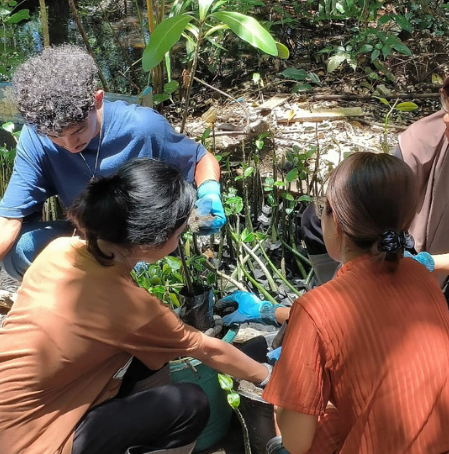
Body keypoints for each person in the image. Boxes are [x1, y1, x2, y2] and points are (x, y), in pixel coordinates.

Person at [0, 159, 272, 454]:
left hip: (17, 405)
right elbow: (208, 349)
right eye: (179, 234)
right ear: (152, 240)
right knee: (190, 404)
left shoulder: (60, 249)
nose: (181, 239)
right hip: (33, 442)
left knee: (146, 359)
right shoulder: (132, 307)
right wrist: (269, 378)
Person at [262, 151, 449, 454]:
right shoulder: (420, 274)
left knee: (289, 420)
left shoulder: (315, 307)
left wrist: (288, 382)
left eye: (322, 208)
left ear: (337, 222)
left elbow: (297, 442)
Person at [299, 50, 449, 360]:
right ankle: (340, 305)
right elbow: (380, 195)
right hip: (416, 241)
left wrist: (429, 264)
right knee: (323, 216)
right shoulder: (433, 134)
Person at [0, 44, 226, 280]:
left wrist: (210, 193)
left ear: (97, 100)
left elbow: (200, 158)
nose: (69, 143)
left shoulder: (142, 127)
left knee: (136, 265)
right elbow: (9, 218)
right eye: (55, 136)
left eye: (78, 130)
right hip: (86, 240)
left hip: (141, 245)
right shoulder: (35, 137)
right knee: (20, 250)